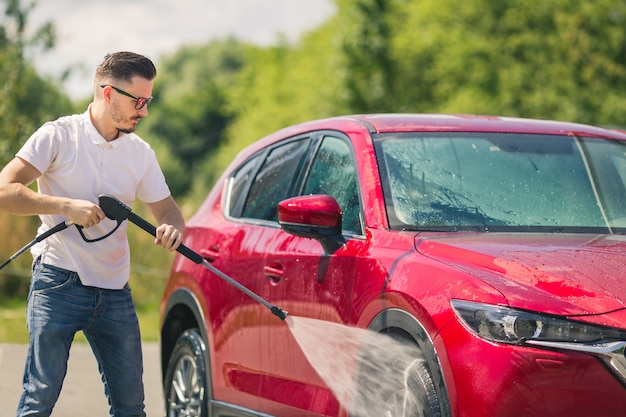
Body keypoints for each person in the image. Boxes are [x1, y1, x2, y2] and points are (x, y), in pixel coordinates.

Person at [0, 51, 185, 417]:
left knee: (131, 406)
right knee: (39, 400)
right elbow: (4, 190)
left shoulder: (140, 153)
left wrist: (172, 228)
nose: (145, 111)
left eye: (149, 101)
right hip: (57, 283)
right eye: (139, 101)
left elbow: (169, 211)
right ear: (108, 93)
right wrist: (66, 207)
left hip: (115, 292)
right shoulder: (58, 136)